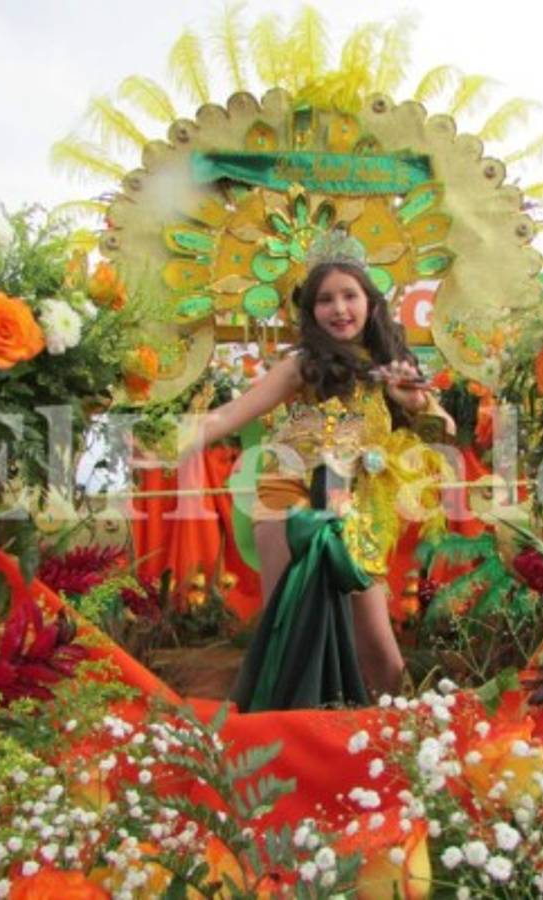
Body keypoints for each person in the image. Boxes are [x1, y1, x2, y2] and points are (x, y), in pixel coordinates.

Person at [175, 238, 455, 711]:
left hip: (357, 516)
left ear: (370, 302)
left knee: (381, 655)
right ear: (311, 310)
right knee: (293, 638)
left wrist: (415, 402)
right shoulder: (301, 365)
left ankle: (396, 755)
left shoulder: (390, 368)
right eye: (325, 299)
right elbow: (229, 416)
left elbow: (445, 436)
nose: (339, 309)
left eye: (349, 296)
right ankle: (285, 753)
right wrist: (164, 443)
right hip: (292, 511)